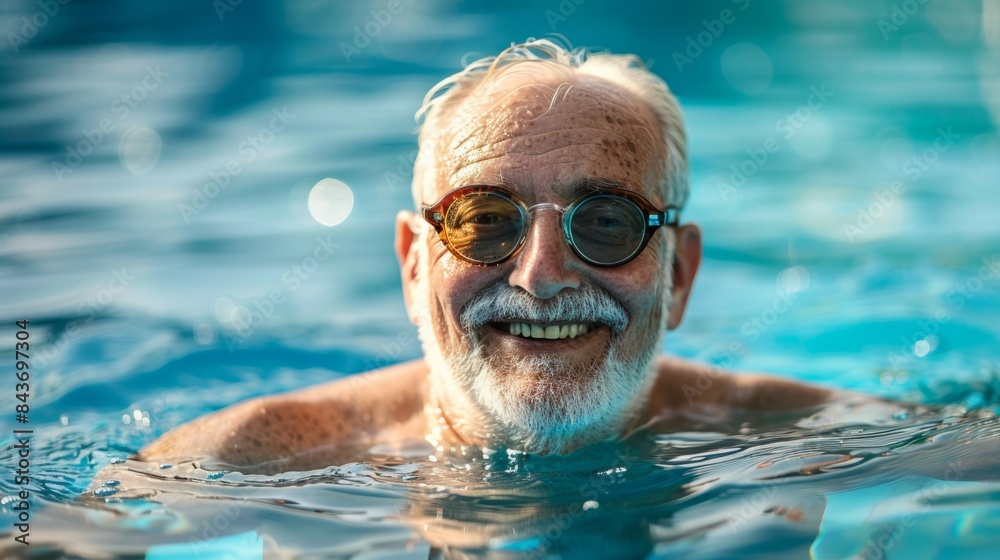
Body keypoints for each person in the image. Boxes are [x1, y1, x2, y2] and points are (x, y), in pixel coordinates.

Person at [136, 39, 842, 474]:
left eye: (603, 223)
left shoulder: (808, 441)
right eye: (483, 221)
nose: (540, 276)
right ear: (415, 266)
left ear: (679, 275)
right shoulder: (259, 459)